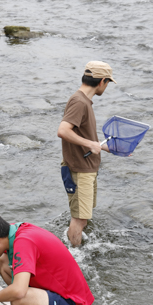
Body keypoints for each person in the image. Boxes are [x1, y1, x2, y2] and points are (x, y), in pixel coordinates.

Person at [57, 61, 116, 246]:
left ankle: (75, 248)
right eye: (108, 83)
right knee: (80, 219)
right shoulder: (79, 101)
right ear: (102, 81)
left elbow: (84, 136)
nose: (106, 87)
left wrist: (110, 148)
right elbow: (63, 130)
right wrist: (90, 144)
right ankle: (74, 257)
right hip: (79, 170)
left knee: (84, 215)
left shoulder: (83, 101)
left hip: (86, 169)